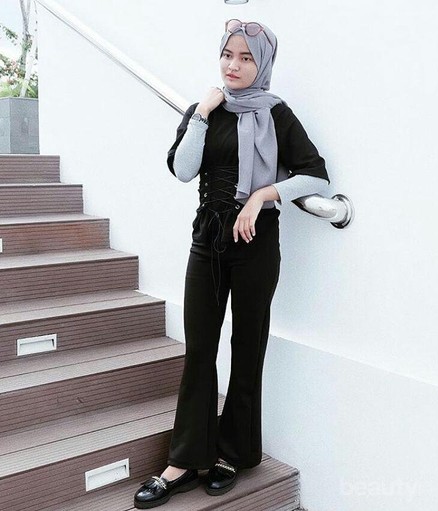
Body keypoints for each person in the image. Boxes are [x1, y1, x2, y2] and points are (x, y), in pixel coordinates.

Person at [134, 18, 330, 509]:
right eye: (228, 55)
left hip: (256, 242)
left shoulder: (277, 113)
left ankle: (233, 453)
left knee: (247, 347)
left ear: (262, 63)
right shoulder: (205, 110)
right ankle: (184, 461)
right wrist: (201, 113)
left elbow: (316, 175)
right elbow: (183, 170)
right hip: (208, 239)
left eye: (245, 58)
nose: (234, 66)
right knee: (200, 347)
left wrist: (262, 194)